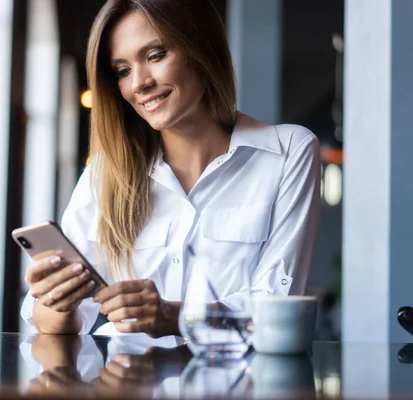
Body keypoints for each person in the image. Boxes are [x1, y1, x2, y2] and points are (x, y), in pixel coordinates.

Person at [20, 0, 320, 337]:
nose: (139, 84)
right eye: (122, 70)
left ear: (201, 49)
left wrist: (173, 316)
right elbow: (51, 322)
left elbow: (277, 310)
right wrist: (55, 299)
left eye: (155, 55)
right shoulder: (107, 173)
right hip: (122, 381)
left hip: (235, 384)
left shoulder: (287, 152)